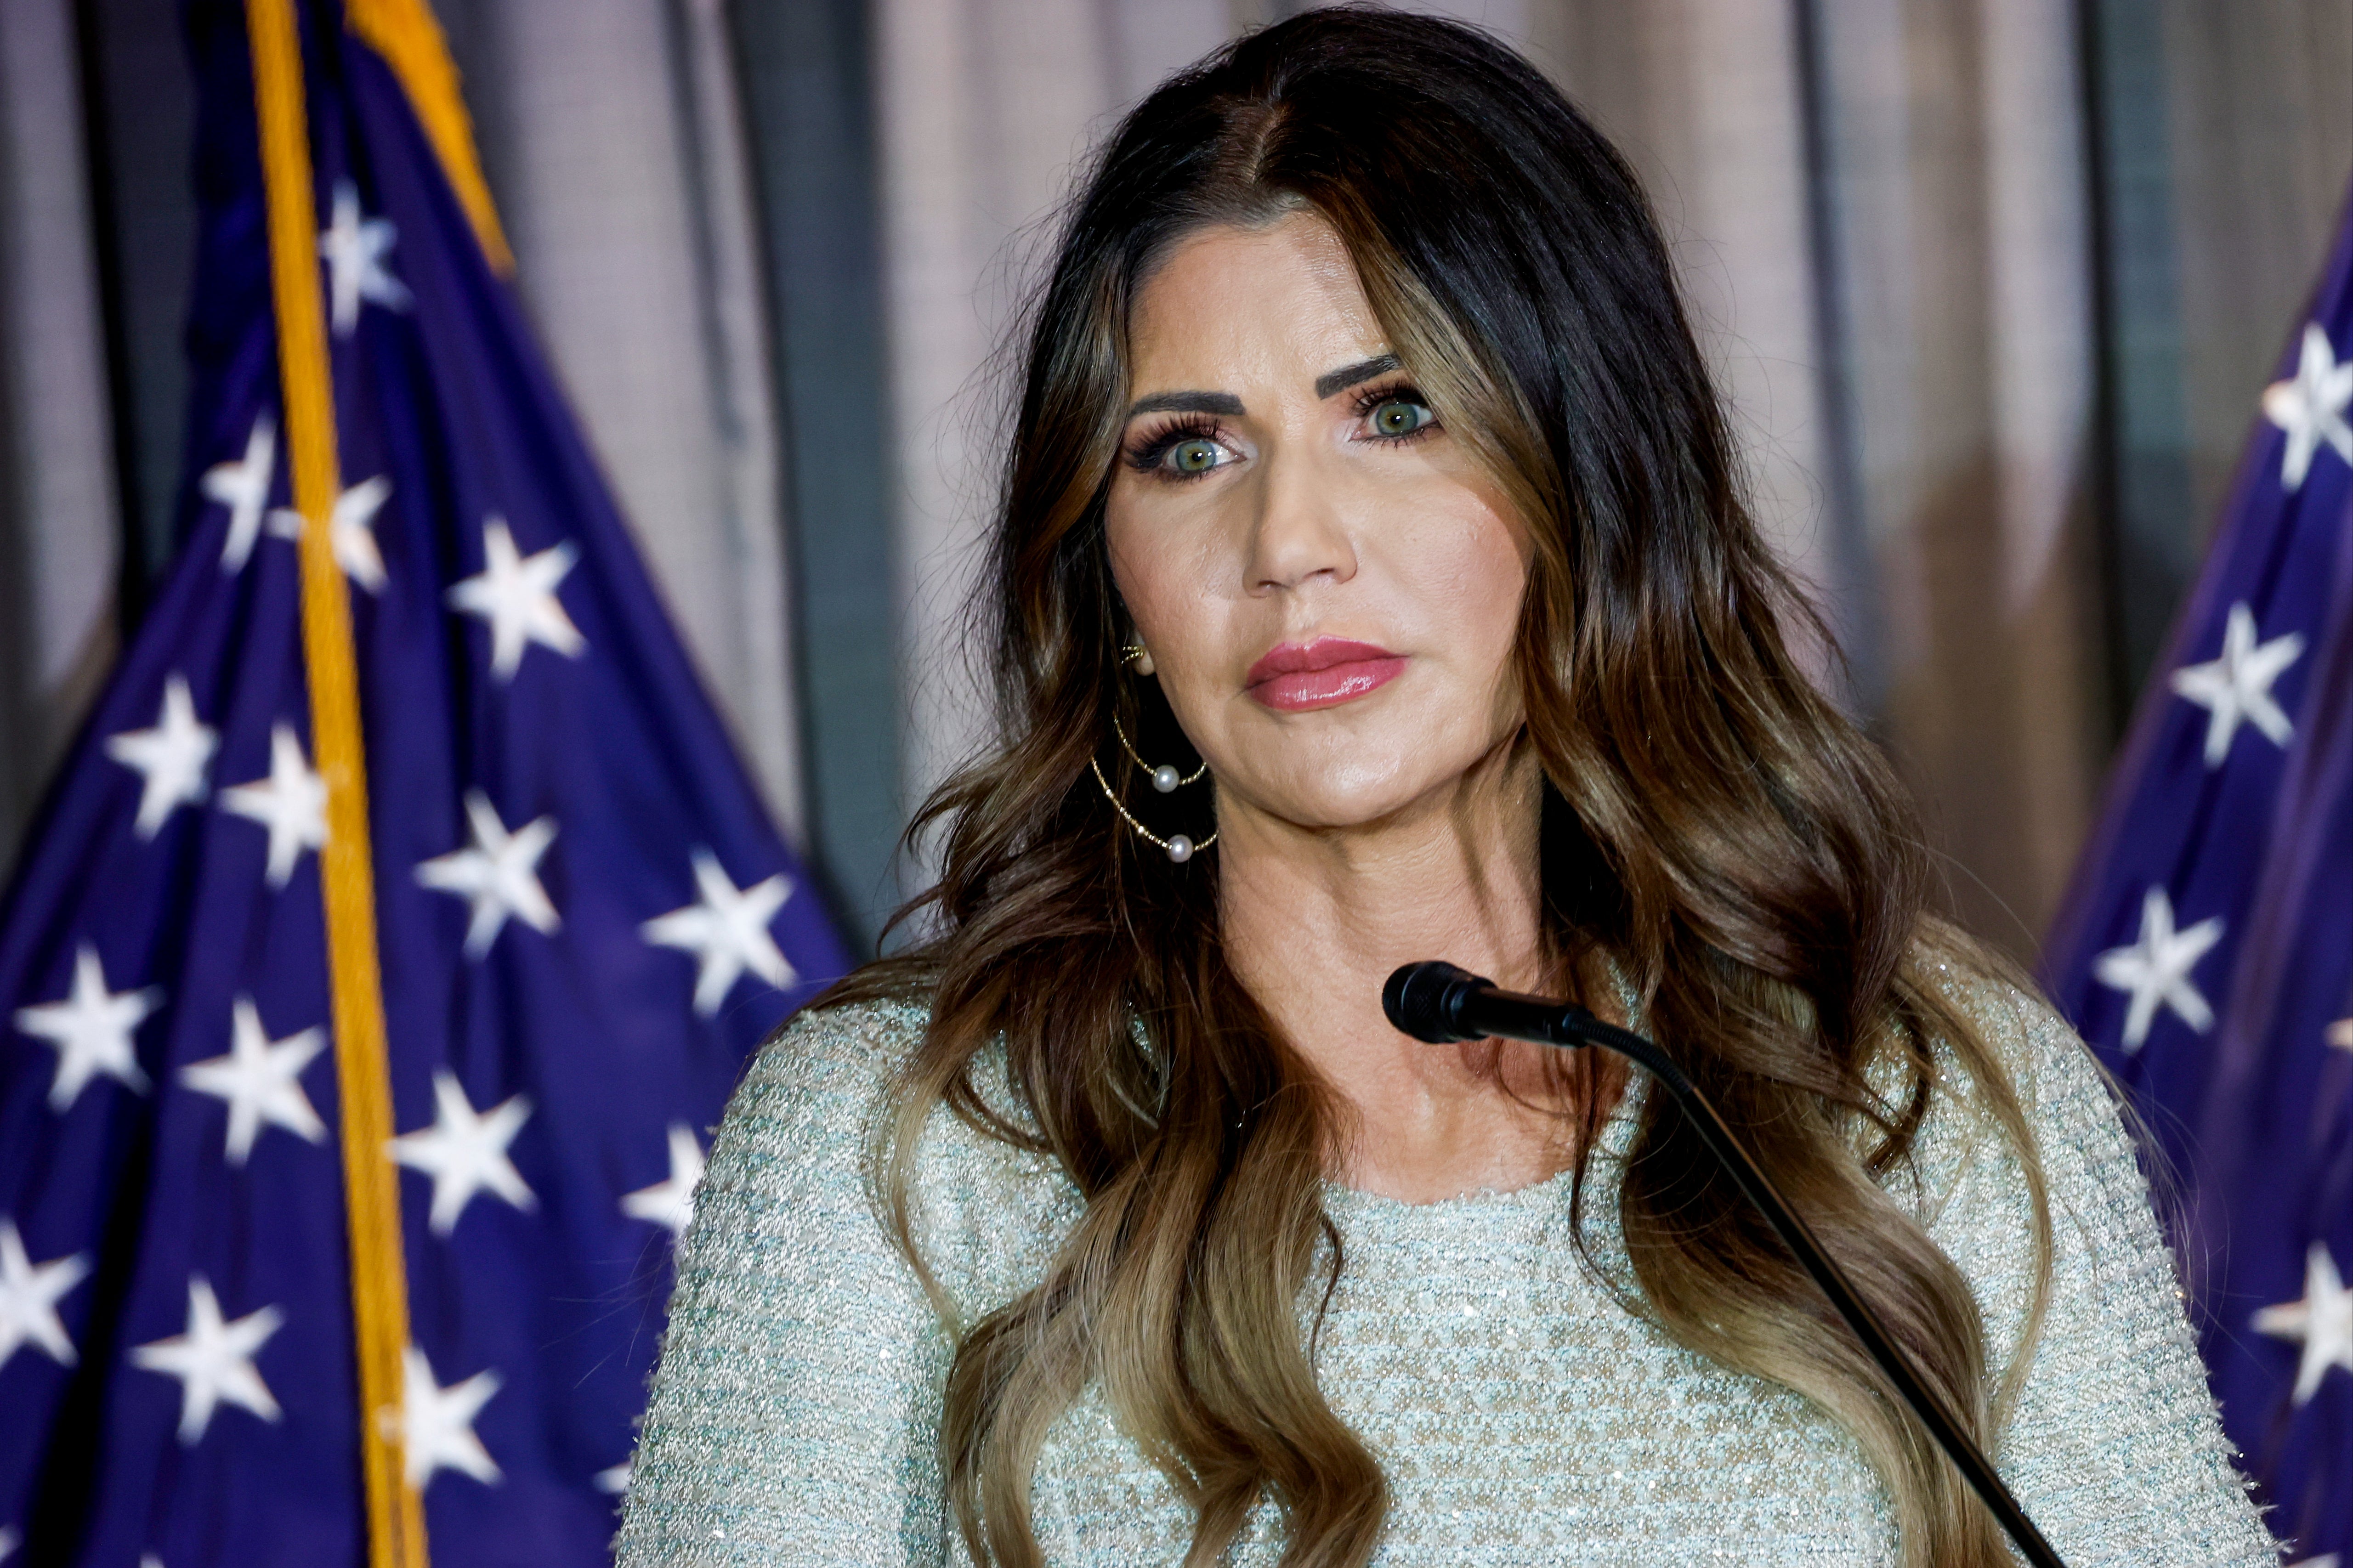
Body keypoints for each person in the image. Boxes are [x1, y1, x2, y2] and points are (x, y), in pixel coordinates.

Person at [615, 11, 2272, 1565]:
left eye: (1393, 416)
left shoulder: (1908, 1098)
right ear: (1105, 574)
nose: (1287, 547)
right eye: (1188, 450)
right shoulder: (908, 1147)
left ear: (1588, 490)